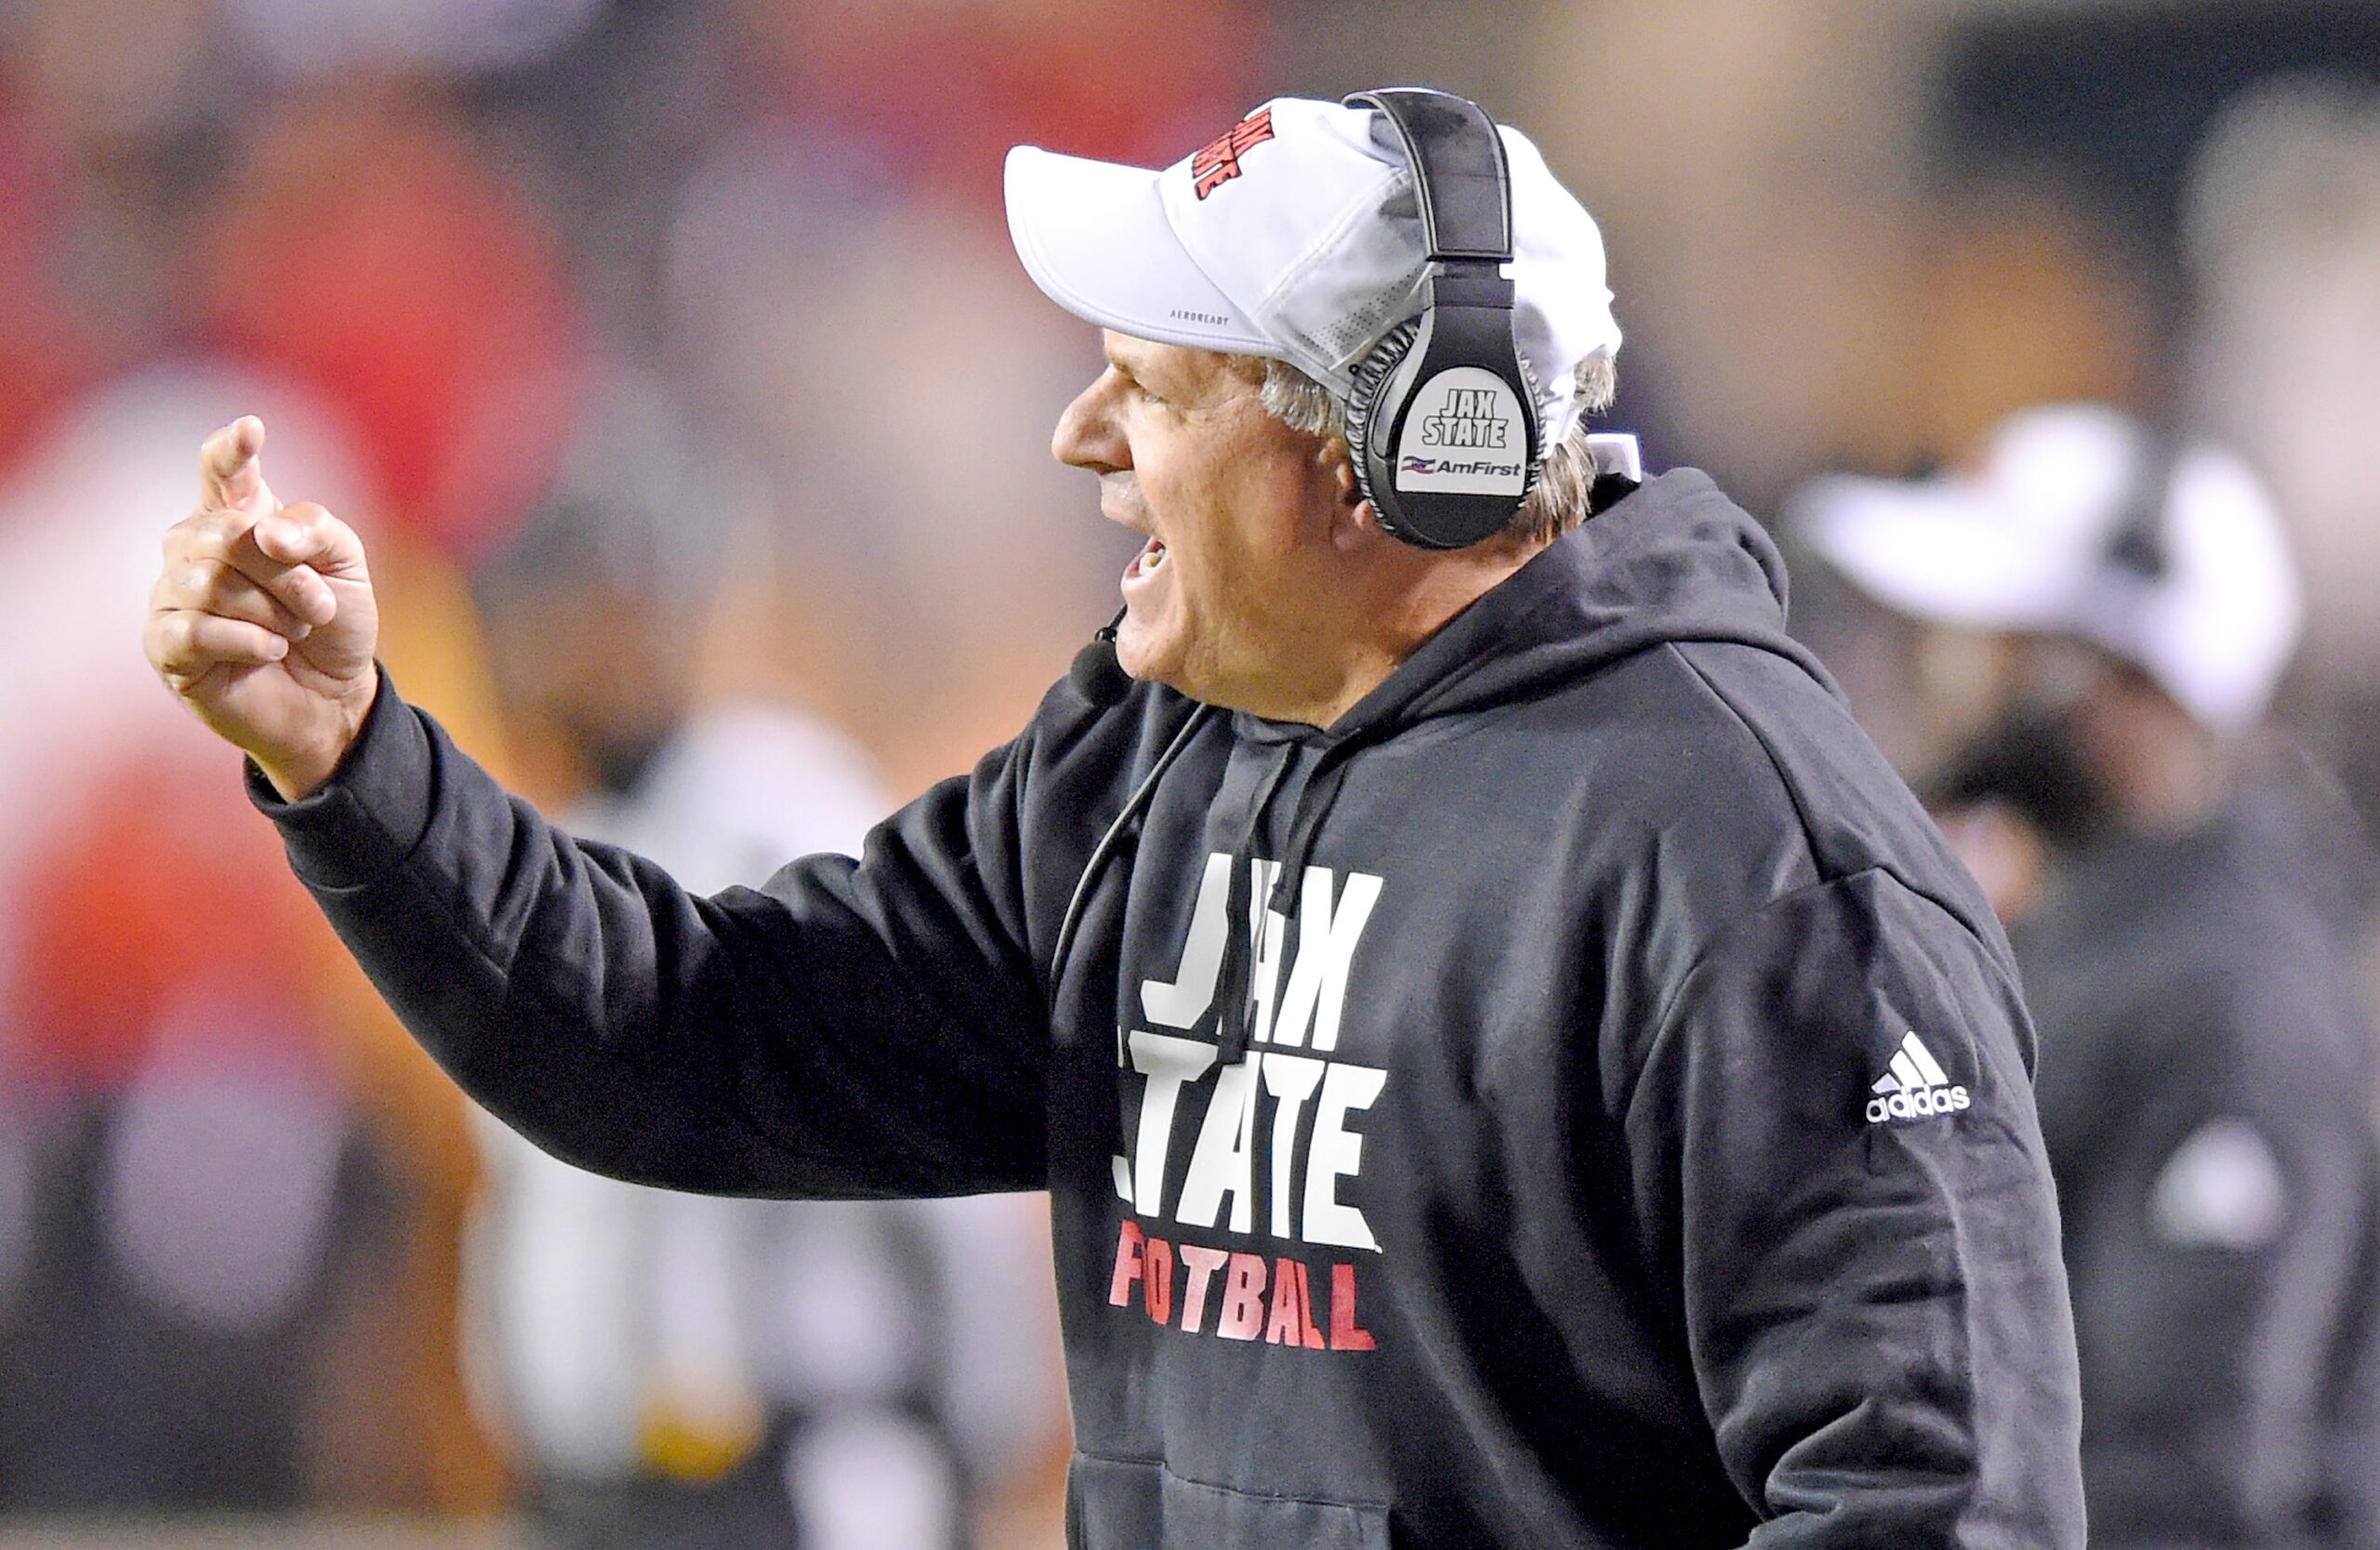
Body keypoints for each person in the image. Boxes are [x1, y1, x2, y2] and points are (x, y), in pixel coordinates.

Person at [143, 89, 2086, 1546]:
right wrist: (352, 757)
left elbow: (1932, 1494)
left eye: (1151, 391)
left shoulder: (1745, 857)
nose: (1081, 439)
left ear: (1386, 453)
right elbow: (692, 1036)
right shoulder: (1149, 754)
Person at [1798, 402, 2380, 1548]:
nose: (1929, 668)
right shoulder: (2075, 916)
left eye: (1980, 631)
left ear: (2109, 678)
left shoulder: (2227, 1003)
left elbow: (2189, 1487)